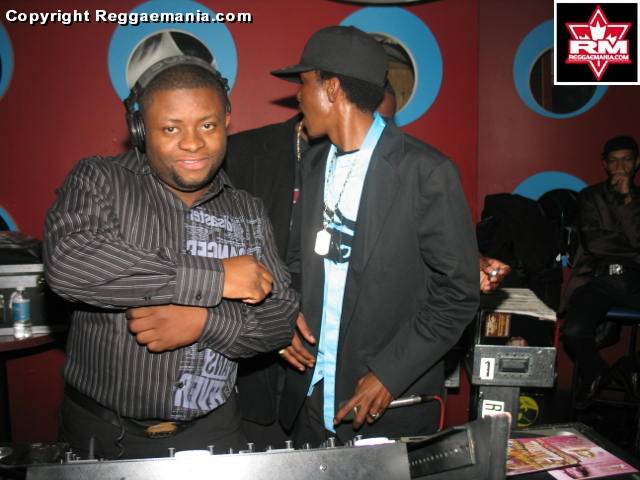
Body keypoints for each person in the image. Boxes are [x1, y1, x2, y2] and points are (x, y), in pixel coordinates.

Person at [43, 55, 298, 459]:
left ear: (227, 121)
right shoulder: (99, 180)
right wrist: (215, 278)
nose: (193, 143)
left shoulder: (247, 209)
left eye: (207, 125)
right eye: (171, 128)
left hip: (215, 432)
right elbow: (69, 263)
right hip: (104, 435)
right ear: (141, 129)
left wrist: (204, 323)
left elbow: (280, 320)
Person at [271, 26, 479, 446]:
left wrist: (388, 374)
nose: (298, 97)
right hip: (311, 399)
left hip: (384, 405)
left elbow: (458, 293)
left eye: (304, 83)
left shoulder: (425, 172)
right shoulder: (313, 164)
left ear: (332, 88)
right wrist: (287, 314)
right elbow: (297, 262)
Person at [561, 135, 640, 408]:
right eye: (614, 161)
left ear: (636, 163)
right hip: (601, 279)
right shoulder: (590, 197)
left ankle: (629, 366)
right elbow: (595, 244)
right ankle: (597, 372)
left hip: (636, 280)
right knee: (573, 331)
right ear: (605, 165)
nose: (620, 167)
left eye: (626, 160)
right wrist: (631, 247)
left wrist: (627, 200)